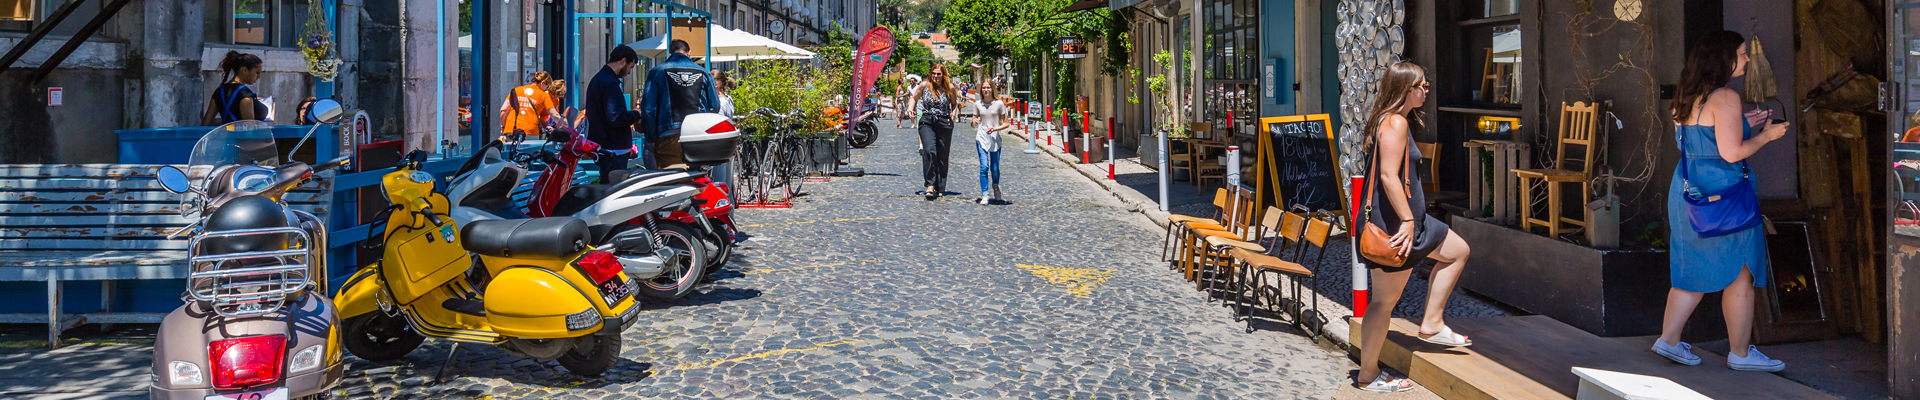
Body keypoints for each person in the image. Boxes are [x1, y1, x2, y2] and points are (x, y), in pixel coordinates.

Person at [1653, 30, 1791, 373]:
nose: (1747, 59)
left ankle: (1668, 340)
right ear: (1724, 58)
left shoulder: (1688, 96)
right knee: (1740, 272)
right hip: (1726, 197)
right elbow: (1731, 153)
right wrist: (1765, 136)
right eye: (1742, 53)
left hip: (1689, 195)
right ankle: (1740, 353)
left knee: (1690, 271)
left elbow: (1700, 142)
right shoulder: (1726, 97)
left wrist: (1743, 123)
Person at [1353, 62, 1473, 394]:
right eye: (1421, 85)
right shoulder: (1394, 122)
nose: (1426, 90)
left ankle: (1432, 323)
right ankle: (1367, 374)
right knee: (1383, 302)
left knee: (1457, 251)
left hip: (1413, 225)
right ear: (1406, 89)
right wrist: (1407, 220)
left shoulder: (1394, 120)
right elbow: (1389, 176)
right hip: (1398, 227)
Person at [640, 39, 721, 170]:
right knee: (695, 180)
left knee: (671, 181)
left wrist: (651, 138)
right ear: (689, 52)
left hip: (668, 136)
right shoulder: (703, 73)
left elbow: (649, 110)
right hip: (697, 136)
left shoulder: (657, 72)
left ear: (669, 53)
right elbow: (715, 106)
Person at [586, 45, 645, 183]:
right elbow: (616, 117)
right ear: (623, 61)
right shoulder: (609, 83)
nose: (629, 72)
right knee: (612, 188)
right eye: (631, 67)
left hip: (605, 146)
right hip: (613, 149)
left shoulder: (599, 79)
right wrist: (636, 113)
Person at [908, 64, 963, 200]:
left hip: (944, 122)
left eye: (939, 74)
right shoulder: (924, 86)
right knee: (929, 150)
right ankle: (930, 184)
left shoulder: (949, 87)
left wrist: (953, 114)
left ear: (943, 75)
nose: (936, 76)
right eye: (934, 73)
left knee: (942, 156)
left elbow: (954, 104)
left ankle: (940, 187)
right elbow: (914, 98)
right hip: (927, 121)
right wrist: (910, 109)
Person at [971, 84, 1013, 205]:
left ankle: (995, 187)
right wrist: (974, 122)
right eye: (984, 88)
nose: (986, 90)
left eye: (988, 87)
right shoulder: (978, 104)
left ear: (992, 89)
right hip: (982, 137)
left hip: (995, 136)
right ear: (981, 90)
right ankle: (985, 194)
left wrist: (995, 129)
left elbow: (1006, 123)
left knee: (995, 168)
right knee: (984, 166)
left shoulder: (999, 104)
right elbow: (973, 123)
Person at [202, 51, 267, 125]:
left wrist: (227, 122)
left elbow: (206, 123)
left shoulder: (219, 91)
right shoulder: (245, 95)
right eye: (257, 73)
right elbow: (249, 128)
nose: (259, 77)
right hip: (241, 136)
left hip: (226, 135)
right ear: (244, 70)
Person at [501, 71, 564, 139]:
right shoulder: (543, 95)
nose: (546, 89)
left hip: (511, 130)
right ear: (542, 83)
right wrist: (564, 127)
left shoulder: (516, 90)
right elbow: (554, 115)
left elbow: (503, 110)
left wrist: (504, 127)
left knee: (511, 149)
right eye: (546, 86)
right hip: (530, 132)